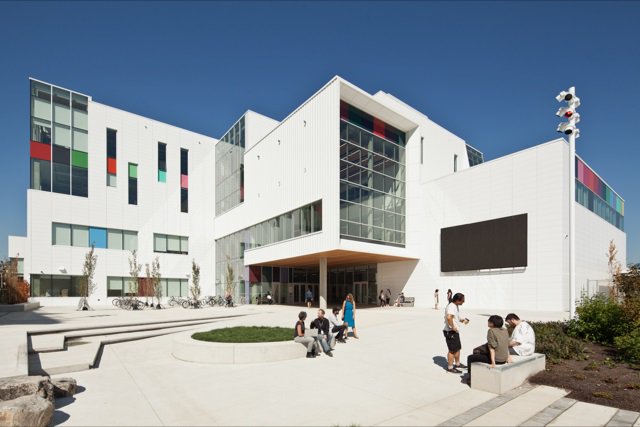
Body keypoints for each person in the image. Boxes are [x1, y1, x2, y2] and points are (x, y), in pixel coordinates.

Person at [466, 315, 510, 386]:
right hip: (504, 358)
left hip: (497, 360)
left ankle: (471, 378)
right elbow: (506, 344)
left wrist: (493, 362)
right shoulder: (505, 330)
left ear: (492, 323)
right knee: (477, 350)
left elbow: (492, 348)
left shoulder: (491, 331)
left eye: (489, 321)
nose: (487, 322)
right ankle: (478, 373)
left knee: (471, 357)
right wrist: (508, 357)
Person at [443, 293, 469, 373]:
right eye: (462, 300)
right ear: (458, 300)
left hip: (454, 332)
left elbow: (454, 317)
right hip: (450, 332)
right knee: (452, 350)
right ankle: (450, 368)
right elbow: (449, 317)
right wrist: (452, 327)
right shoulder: (451, 306)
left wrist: (462, 320)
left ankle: (457, 364)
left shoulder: (455, 306)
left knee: (457, 348)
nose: (463, 302)